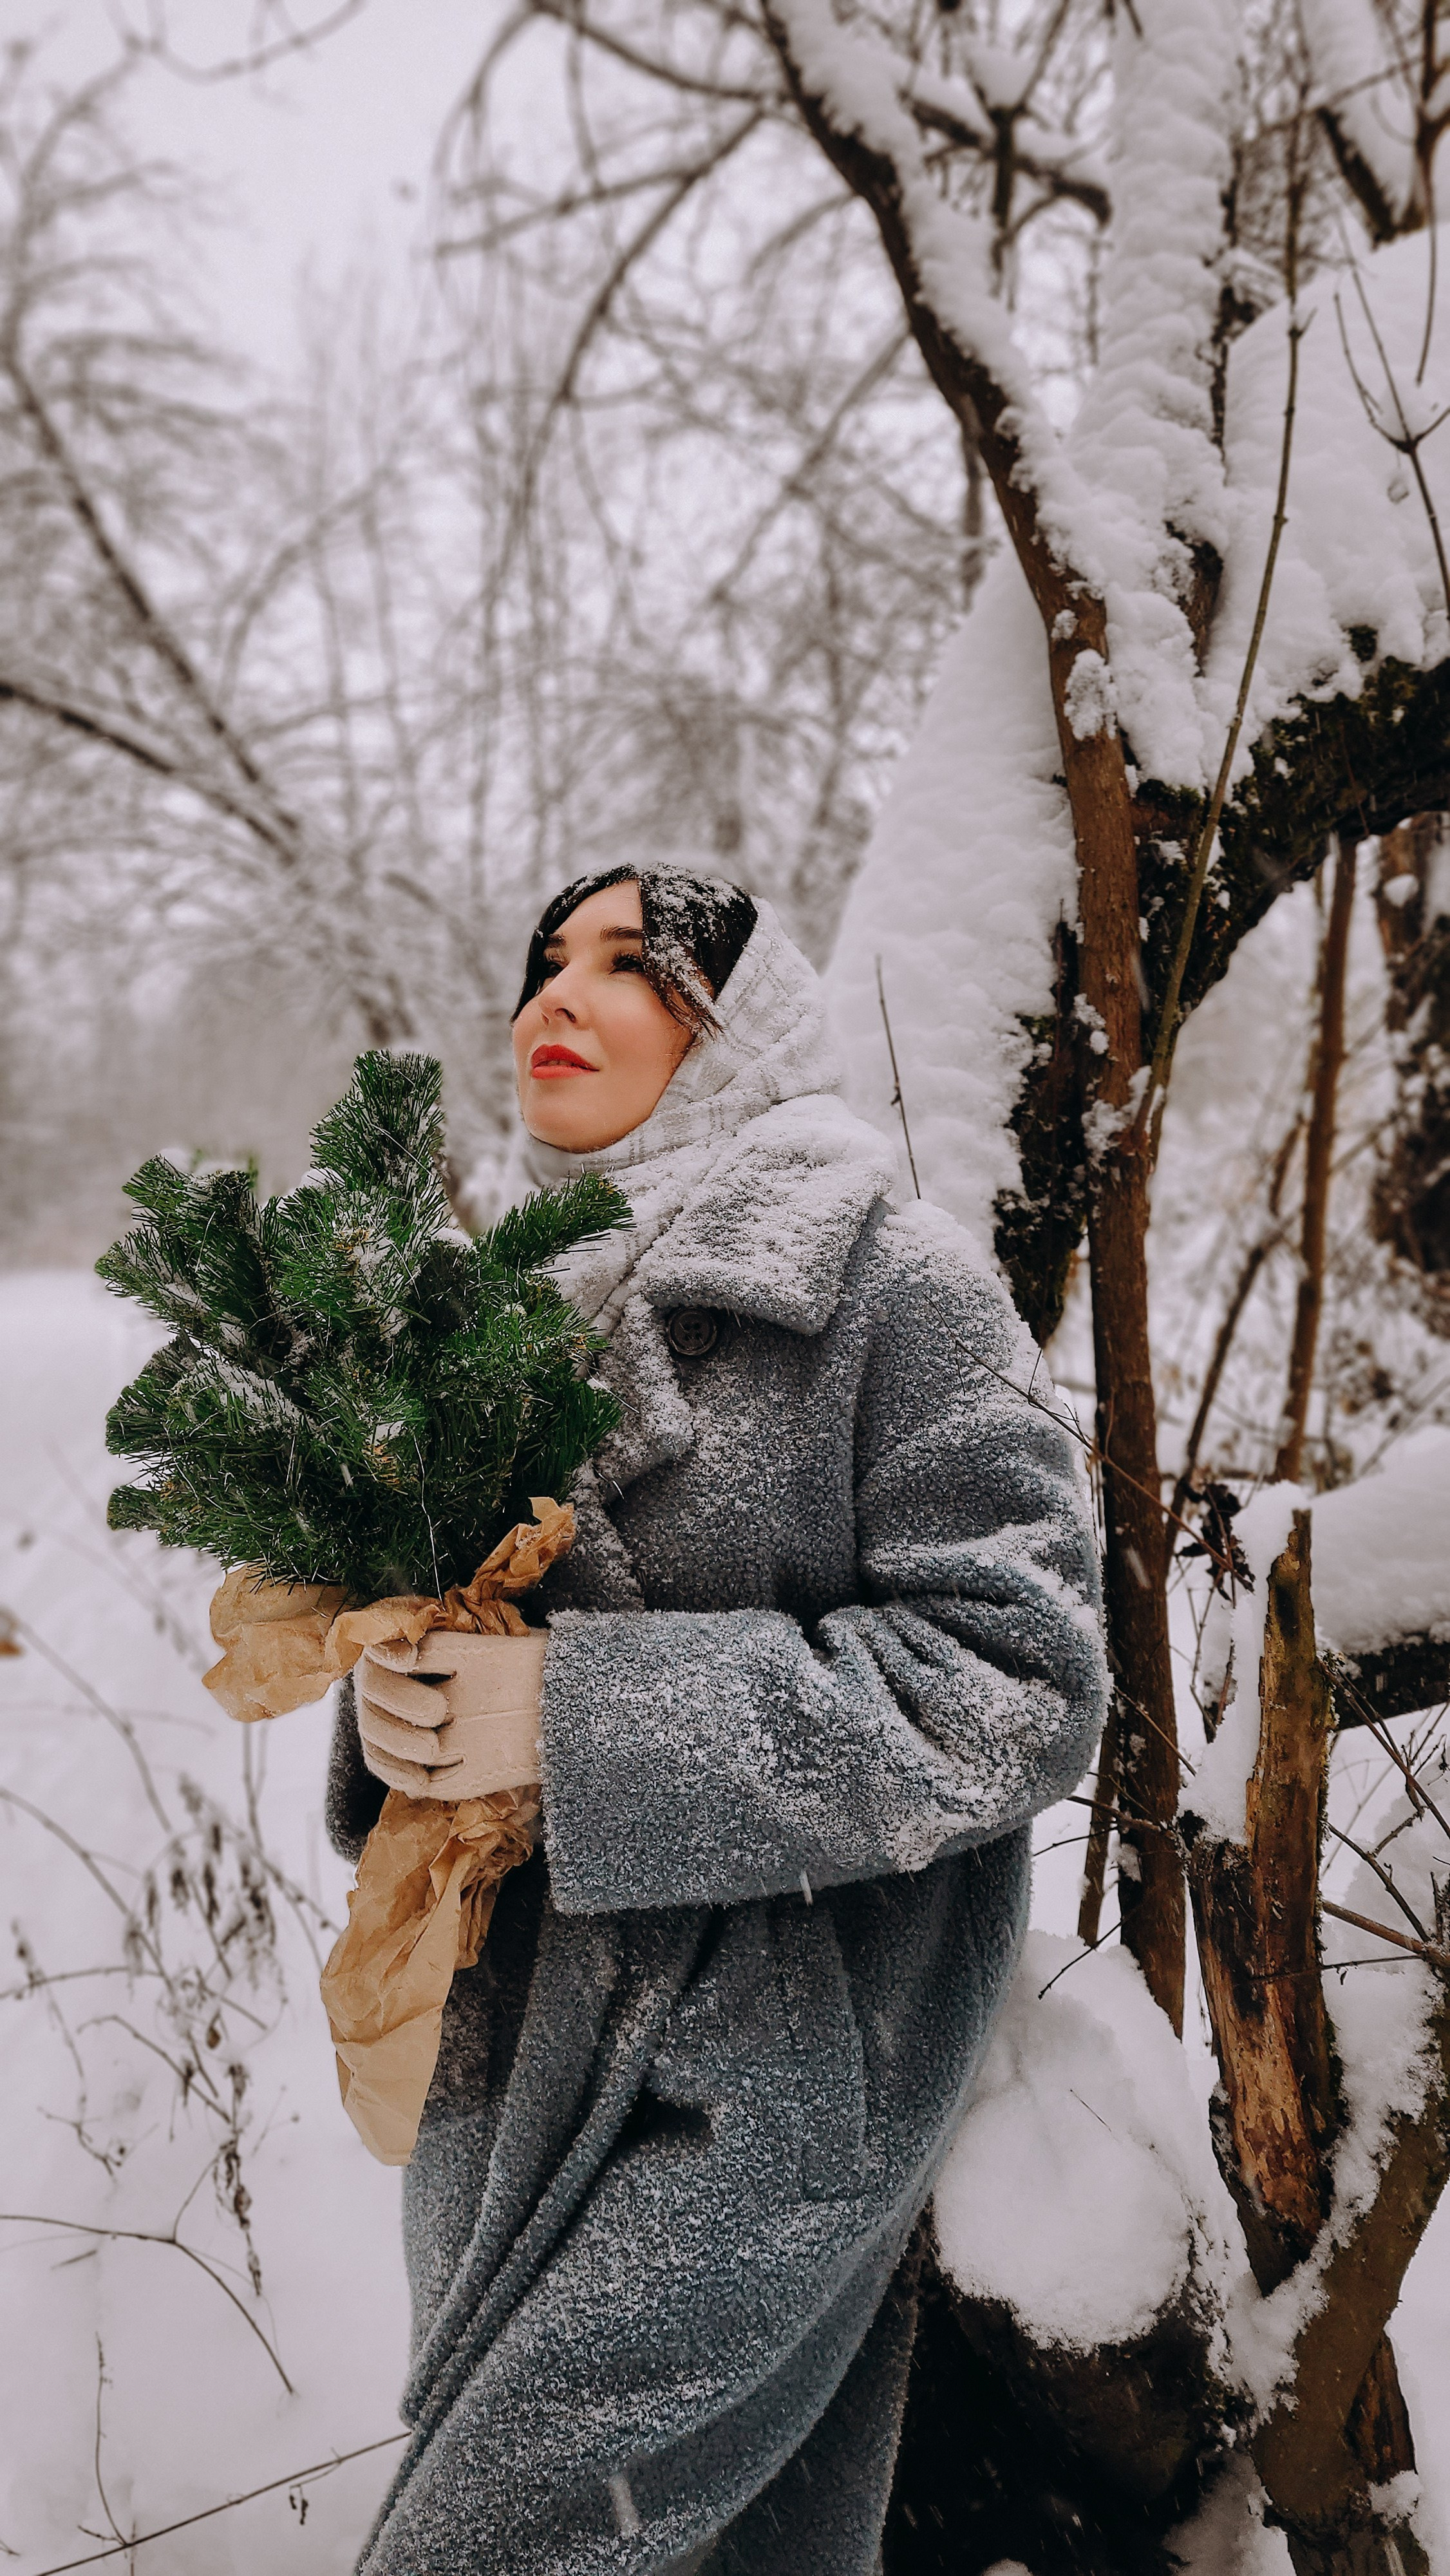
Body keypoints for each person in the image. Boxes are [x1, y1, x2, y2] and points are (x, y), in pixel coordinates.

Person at [326, 865, 1108, 2576]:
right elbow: (463, 1677)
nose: (553, 997)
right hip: (509, 2058)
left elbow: (1022, 1686)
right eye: (541, 964)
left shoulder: (896, 1287)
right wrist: (407, 1713)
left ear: (745, 1026)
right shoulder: (488, 1311)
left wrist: (580, 1723)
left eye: (628, 963)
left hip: (767, 2071)